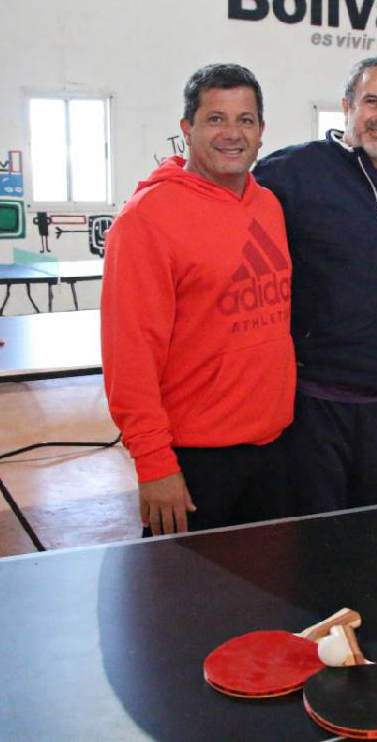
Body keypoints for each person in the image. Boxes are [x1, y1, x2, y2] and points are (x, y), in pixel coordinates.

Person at [101, 63, 295, 536]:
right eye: (216, 119)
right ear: (186, 128)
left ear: (262, 131)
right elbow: (130, 355)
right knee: (189, 608)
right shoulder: (146, 220)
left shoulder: (267, 205)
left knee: (269, 603)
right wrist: (154, 463)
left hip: (275, 449)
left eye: (245, 120)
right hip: (194, 462)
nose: (232, 133)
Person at [253, 57, 377, 514]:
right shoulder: (291, 173)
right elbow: (221, 202)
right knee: (314, 546)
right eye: (371, 101)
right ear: (347, 106)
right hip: (314, 405)